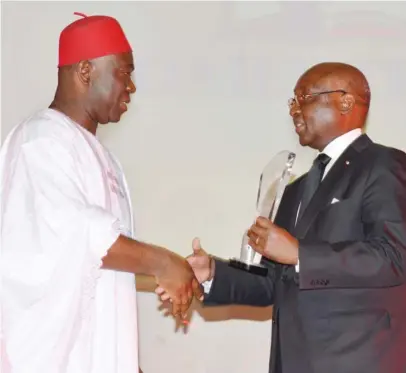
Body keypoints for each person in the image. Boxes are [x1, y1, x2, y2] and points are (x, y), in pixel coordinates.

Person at [157, 62, 406, 373]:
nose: (294, 110)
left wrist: (300, 254)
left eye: (305, 98)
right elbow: (274, 283)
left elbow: (395, 256)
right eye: (292, 100)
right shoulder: (297, 187)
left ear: (345, 101)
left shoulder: (384, 165)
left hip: (356, 360)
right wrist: (212, 273)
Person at [0, 13, 202, 373]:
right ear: (85, 71)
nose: (132, 86)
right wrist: (163, 262)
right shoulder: (40, 139)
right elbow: (80, 234)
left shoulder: (103, 156)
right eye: (125, 72)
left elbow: (99, 269)